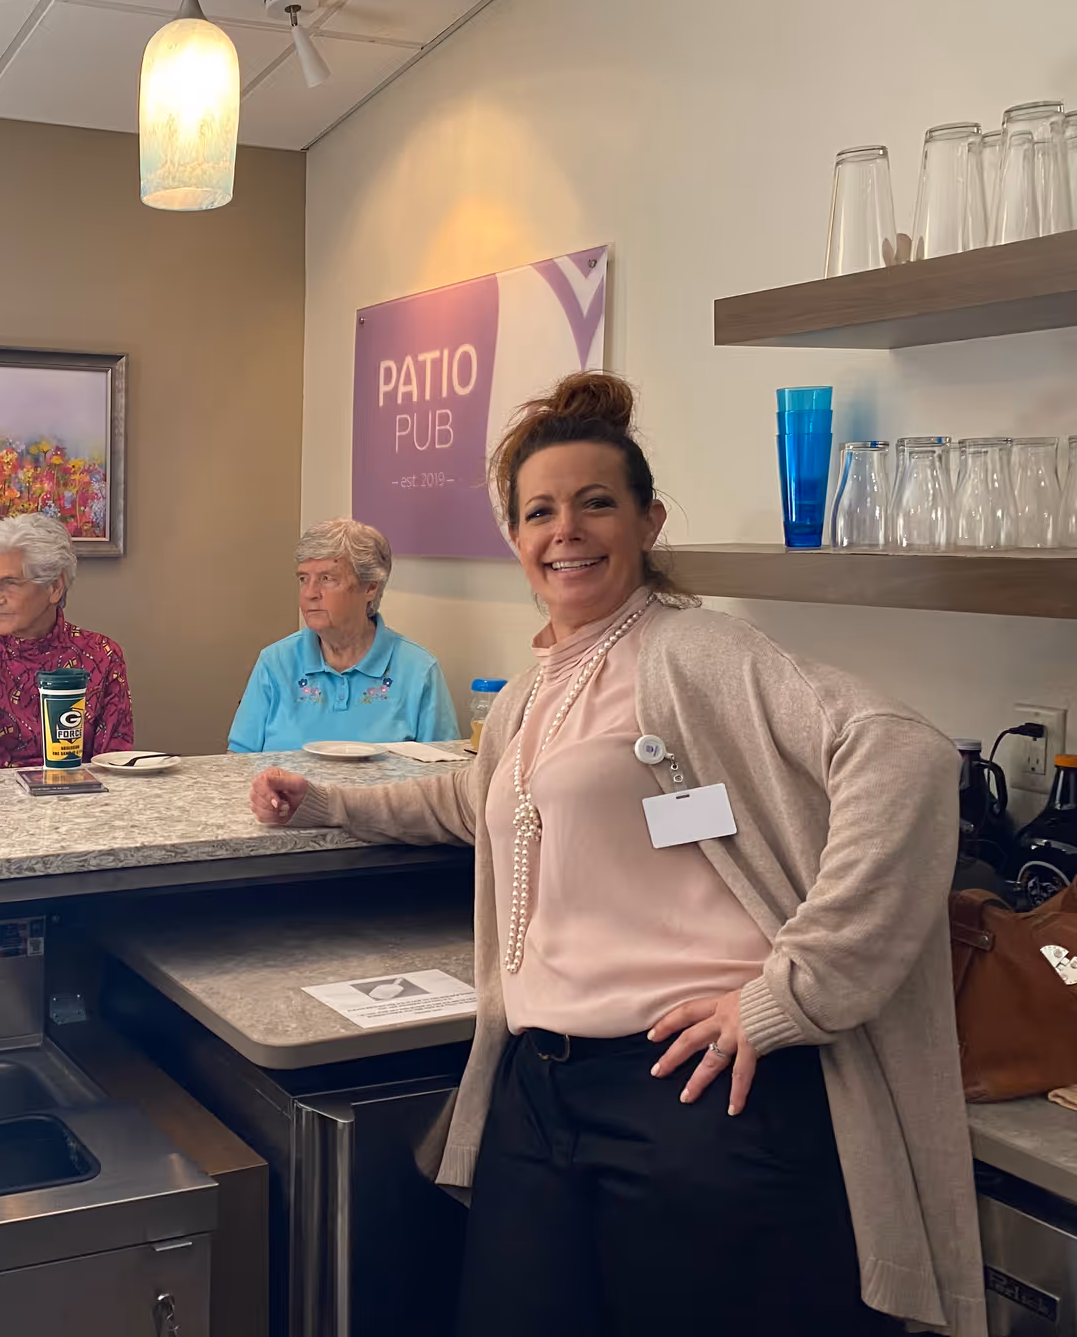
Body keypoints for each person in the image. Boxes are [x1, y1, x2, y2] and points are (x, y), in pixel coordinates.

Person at [248, 372, 980, 1337]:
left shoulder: (695, 652)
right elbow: (481, 800)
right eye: (542, 511)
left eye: (598, 503)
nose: (568, 530)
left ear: (648, 521)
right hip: (541, 1089)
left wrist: (793, 993)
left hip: (692, 1092)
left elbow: (908, 756)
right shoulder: (535, 688)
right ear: (517, 540)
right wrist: (330, 804)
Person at [227, 518, 459, 752]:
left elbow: (444, 770)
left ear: (370, 587)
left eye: (327, 579)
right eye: (303, 579)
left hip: (385, 790)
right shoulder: (275, 663)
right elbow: (238, 762)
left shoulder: (418, 670)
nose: (309, 593)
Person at [0, 513, 133, 776]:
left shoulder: (102, 655)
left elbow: (114, 760)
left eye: (9, 584)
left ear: (54, 587)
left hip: (80, 804)